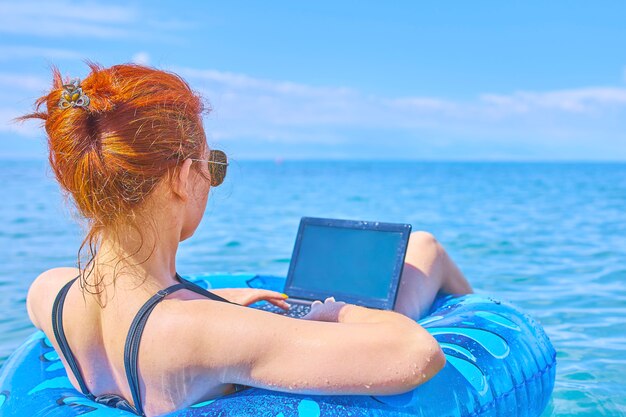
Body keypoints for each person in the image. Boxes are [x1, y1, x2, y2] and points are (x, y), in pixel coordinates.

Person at [22, 63, 474, 417]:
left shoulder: (49, 293)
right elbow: (418, 354)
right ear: (182, 178)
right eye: (212, 166)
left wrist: (214, 298)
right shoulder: (207, 332)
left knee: (425, 250)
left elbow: (134, 309)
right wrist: (336, 312)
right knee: (426, 250)